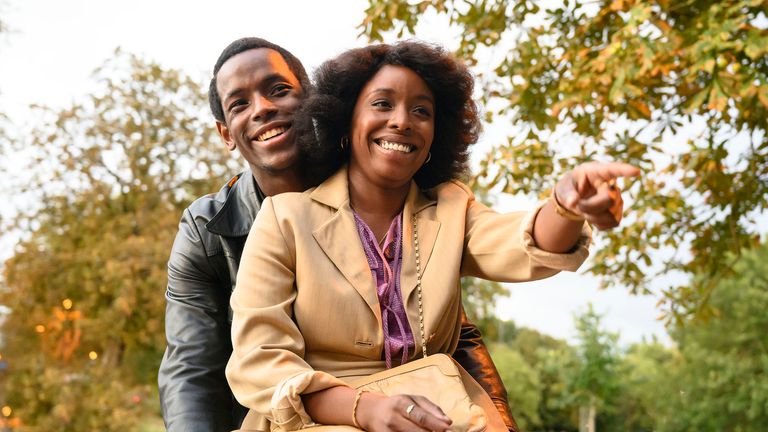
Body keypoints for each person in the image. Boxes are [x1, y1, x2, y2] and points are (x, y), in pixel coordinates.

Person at [226, 41, 639, 431]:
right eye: (382, 104)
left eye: (421, 111)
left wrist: (565, 206)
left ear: (433, 140)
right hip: (316, 419)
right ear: (344, 123)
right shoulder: (284, 218)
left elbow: (516, 243)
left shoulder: (451, 207)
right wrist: (363, 408)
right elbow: (259, 360)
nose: (402, 121)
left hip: (440, 410)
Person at [158, 37, 519, 432]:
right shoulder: (204, 231)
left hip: (409, 407)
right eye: (239, 104)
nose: (262, 108)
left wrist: (498, 419)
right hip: (272, 411)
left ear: (313, 101)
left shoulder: (379, 187)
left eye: (279, 90)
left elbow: (448, 328)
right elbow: (192, 367)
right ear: (226, 133)